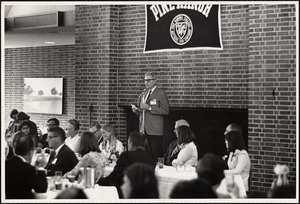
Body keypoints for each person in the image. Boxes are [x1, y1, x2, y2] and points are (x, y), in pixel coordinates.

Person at [97, 131, 155, 198]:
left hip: (125, 194)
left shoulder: (126, 155)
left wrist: (98, 182)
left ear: (131, 143)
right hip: (144, 195)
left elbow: (114, 178)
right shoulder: (151, 160)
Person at [131, 71, 169, 162]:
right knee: (146, 156)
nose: (146, 82)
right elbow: (143, 110)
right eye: (144, 80)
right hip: (144, 129)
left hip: (155, 130)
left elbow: (165, 110)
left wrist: (149, 108)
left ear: (155, 80)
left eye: (148, 80)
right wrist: (138, 111)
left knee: (156, 154)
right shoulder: (144, 93)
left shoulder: (161, 93)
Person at [5, 133, 47, 199]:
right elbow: (41, 189)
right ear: (30, 152)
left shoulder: (5, 163)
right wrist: (40, 167)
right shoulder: (28, 169)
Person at [224, 123, 251, 193]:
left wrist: (223, 172)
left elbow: (238, 170)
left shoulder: (243, 154)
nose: (226, 142)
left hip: (241, 187)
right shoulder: (232, 153)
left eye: (227, 141)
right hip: (232, 186)